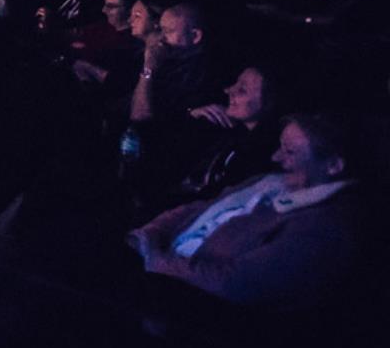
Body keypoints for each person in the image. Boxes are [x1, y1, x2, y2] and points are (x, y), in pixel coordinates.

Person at [129, 115, 371, 308]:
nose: (276, 157)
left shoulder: (325, 225)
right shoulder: (269, 181)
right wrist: (150, 232)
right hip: (160, 262)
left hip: (194, 306)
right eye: (280, 147)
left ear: (333, 166)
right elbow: (199, 208)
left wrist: (160, 261)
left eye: (290, 152)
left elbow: (237, 283)